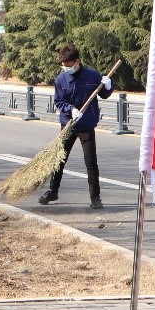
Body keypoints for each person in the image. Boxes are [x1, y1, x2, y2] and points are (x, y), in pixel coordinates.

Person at [38, 44, 113, 209]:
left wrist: (108, 85)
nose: (66, 69)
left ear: (77, 62)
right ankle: (53, 191)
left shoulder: (92, 76)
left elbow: (104, 94)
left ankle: (95, 197)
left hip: (86, 125)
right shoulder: (60, 80)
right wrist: (70, 109)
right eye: (63, 66)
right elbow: (59, 101)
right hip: (68, 125)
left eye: (68, 66)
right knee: (59, 160)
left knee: (91, 162)